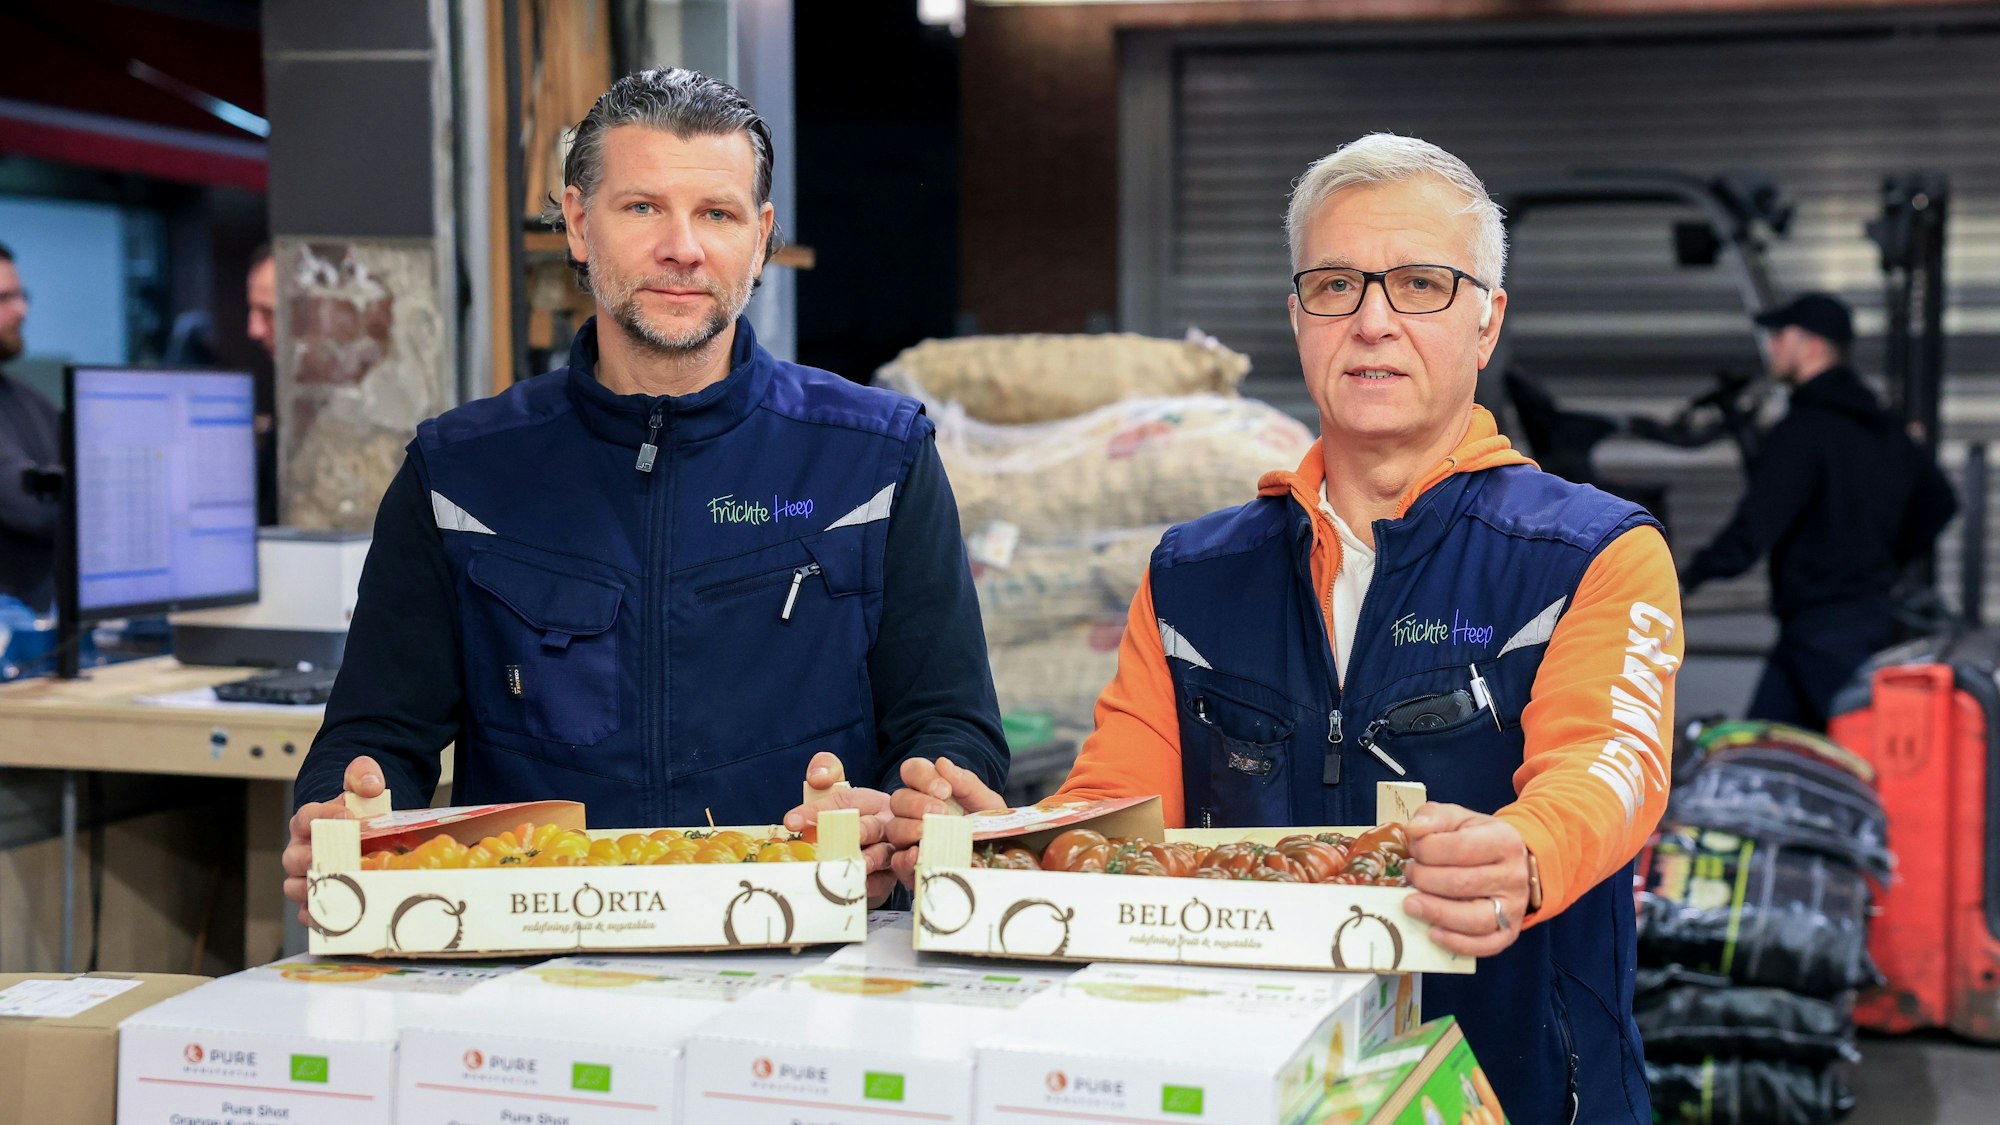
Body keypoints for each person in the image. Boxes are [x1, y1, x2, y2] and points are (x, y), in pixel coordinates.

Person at [866, 135, 1682, 1122]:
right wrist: (995, 844)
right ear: (1298, 318)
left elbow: (1608, 768)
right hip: (1250, 1088)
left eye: (1420, 284)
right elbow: (1119, 813)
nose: (1372, 321)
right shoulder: (1194, 576)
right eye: (1336, 286)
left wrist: (1527, 847)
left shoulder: (1590, 554)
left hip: (1524, 1093)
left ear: (1486, 321)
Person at [283, 68, 1007, 918]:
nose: (682, 248)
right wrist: (345, 810)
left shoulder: (876, 461)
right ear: (578, 223)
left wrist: (926, 806)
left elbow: (950, 728)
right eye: (642, 207)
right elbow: (375, 737)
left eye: (717, 214)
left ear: (761, 239)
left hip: (812, 942)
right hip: (538, 947)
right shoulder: (459, 476)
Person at [1681, 292, 1956, 731]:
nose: (1772, 345)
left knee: (1863, 753)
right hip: (1847, 621)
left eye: (1781, 335)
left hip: (1823, 634)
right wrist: (1882, 561)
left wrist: (1688, 577)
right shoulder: (1882, 426)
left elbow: (1756, 525)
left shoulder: (1803, 431)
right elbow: (1939, 502)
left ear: (1811, 345)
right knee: (1763, 752)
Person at [0, 243, 59, 610]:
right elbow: (31, 510)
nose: (22, 310)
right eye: (4, 298)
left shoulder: (29, 401)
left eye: (21, 295)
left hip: (47, 622)